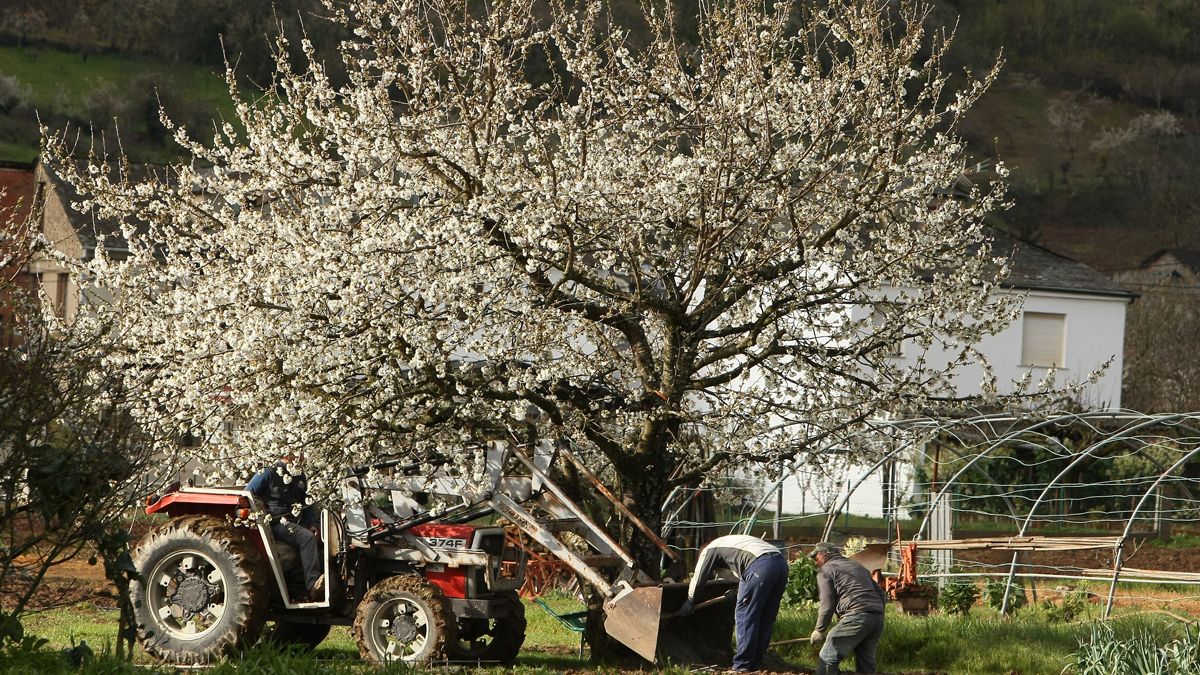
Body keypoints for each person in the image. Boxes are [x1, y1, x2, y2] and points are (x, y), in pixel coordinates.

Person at [677, 534, 788, 672]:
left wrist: (690, 600)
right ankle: (756, 664)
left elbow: (699, 578)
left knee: (746, 617)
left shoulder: (709, 550)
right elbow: (739, 576)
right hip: (781, 564)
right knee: (765, 618)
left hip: (760, 565)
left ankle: (742, 666)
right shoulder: (732, 546)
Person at [246, 455, 324, 600]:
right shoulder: (267, 473)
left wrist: (313, 524)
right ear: (285, 454)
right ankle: (313, 587)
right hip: (275, 524)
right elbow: (247, 495)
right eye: (296, 452)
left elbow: (306, 502)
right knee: (306, 538)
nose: (301, 455)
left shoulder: (299, 474)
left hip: (296, 523)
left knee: (324, 538)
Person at [809, 542, 887, 675]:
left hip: (856, 615)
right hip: (877, 618)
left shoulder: (826, 570)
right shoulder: (857, 566)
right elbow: (881, 593)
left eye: (817, 559)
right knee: (866, 665)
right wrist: (874, 612)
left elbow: (827, 602)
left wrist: (819, 630)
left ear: (825, 555)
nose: (816, 563)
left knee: (827, 658)